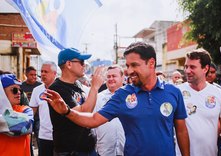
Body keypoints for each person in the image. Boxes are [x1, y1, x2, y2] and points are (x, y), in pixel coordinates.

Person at [43, 42, 190, 156]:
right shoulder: (122, 95)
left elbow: (181, 131)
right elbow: (93, 119)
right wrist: (67, 112)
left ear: (151, 63)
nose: (130, 71)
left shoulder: (173, 92)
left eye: (134, 65)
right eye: (127, 65)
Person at [177, 48, 221, 156]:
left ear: (205, 68)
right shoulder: (176, 92)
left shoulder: (220, 94)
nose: (187, 71)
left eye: (192, 67)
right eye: (186, 66)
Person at [48, 48, 104, 156]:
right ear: (69, 64)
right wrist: (94, 87)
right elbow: (84, 112)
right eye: (81, 62)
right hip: (70, 151)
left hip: (86, 149)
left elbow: (88, 112)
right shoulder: (57, 89)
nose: (84, 65)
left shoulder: (77, 84)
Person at [94, 65, 125, 156]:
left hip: (126, 150)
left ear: (122, 78)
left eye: (114, 76)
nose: (111, 79)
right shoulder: (98, 97)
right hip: (104, 150)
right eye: (108, 77)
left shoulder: (131, 97)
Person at [0, 74, 33, 156]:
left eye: (20, 90)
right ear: (2, 92)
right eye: (14, 90)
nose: (19, 93)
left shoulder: (25, 110)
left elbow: (25, 126)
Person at [29, 61, 57, 156]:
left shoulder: (62, 89)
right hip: (44, 136)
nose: (43, 74)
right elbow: (31, 112)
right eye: (41, 71)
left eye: (46, 72)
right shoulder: (37, 90)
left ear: (54, 74)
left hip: (61, 136)